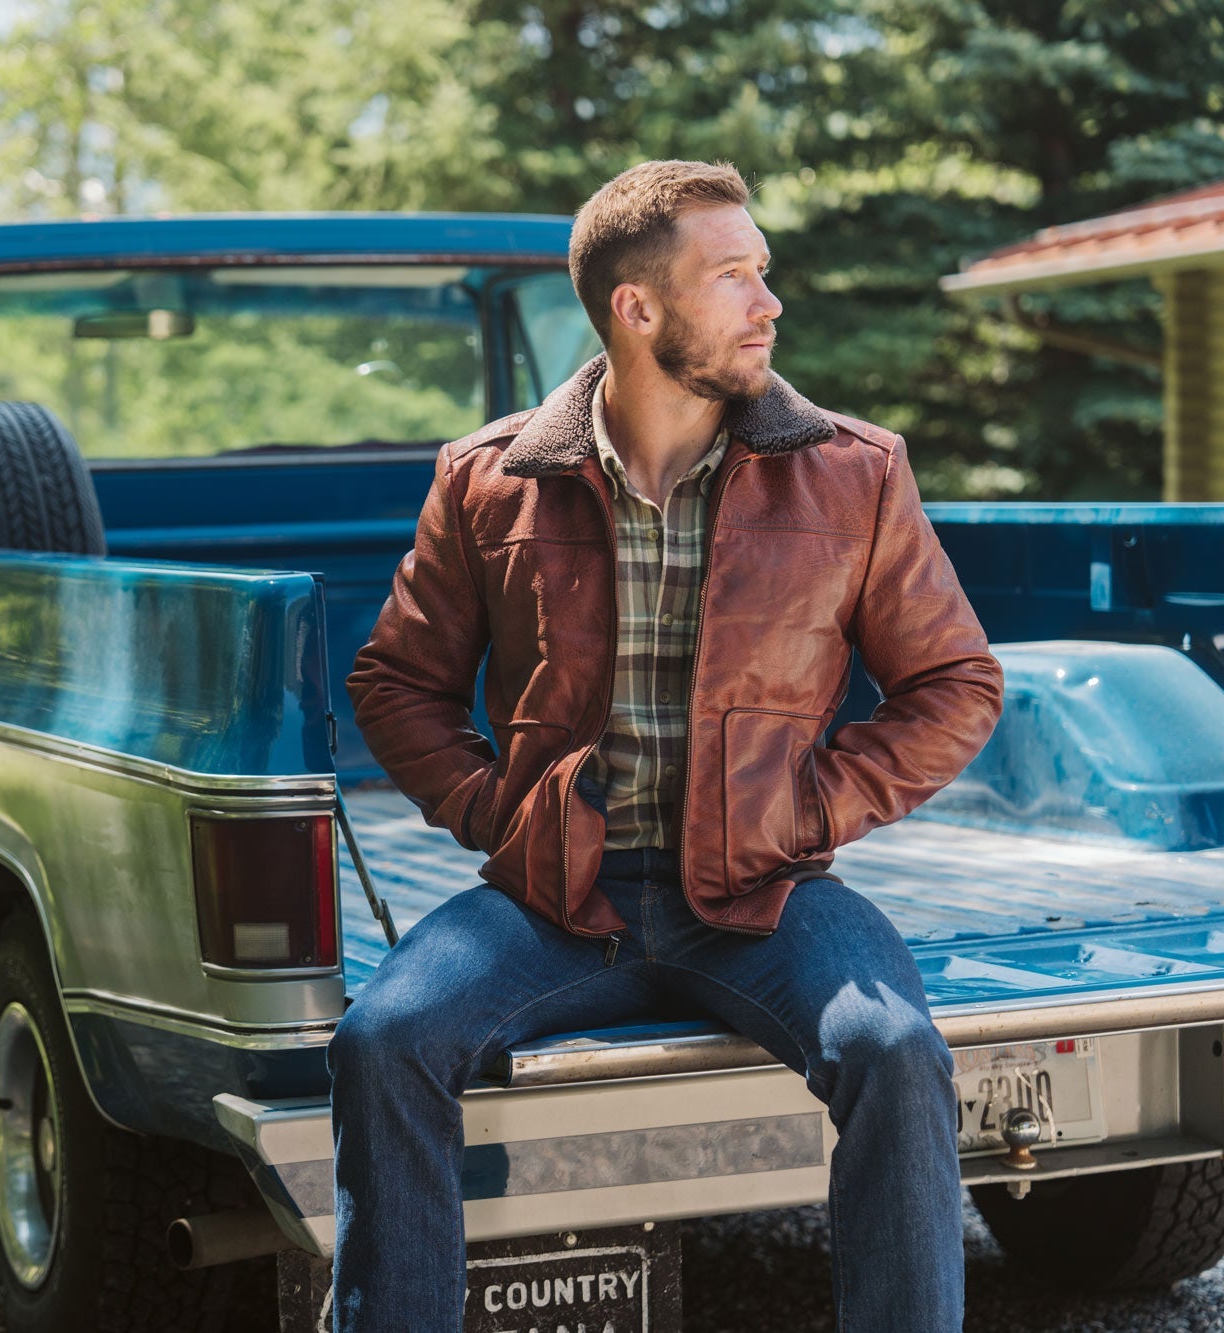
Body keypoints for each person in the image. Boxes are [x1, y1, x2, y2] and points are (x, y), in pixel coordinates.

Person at [332, 159, 1005, 1331]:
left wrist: (807, 810)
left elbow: (952, 683)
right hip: (555, 899)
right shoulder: (489, 481)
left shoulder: (851, 471)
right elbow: (396, 682)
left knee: (895, 1054)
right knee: (381, 1040)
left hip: (762, 893)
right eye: (732, 275)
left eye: (764, 272)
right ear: (636, 307)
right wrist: (497, 814)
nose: (767, 303)